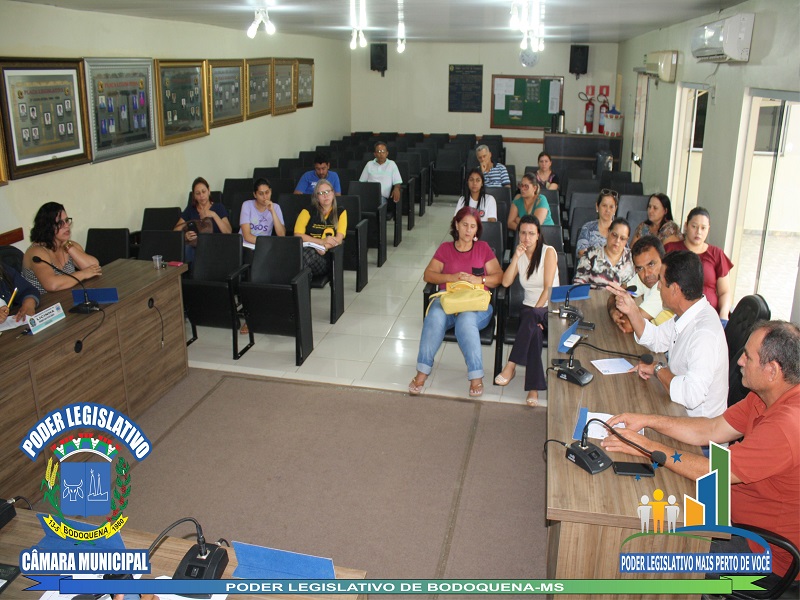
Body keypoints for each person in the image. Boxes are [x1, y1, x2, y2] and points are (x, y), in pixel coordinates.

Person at [601, 321, 799, 592]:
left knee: (652, 553)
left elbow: (712, 474)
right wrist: (647, 421)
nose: (739, 360)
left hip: (763, 559)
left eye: (748, 356)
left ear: (772, 371)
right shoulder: (766, 396)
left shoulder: (787, 425)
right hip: (734, 517)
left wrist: (646, 447)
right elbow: (711, 429)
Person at [608, 250, 728, 419]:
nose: (657, 286)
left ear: (675, 289)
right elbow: (657, 339)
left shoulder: (704, 334)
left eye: (662, 282)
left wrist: (658, 369)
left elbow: (691, 396)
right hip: (677, 409)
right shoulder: (688, 313)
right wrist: (632, 310)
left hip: (695, 428)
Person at [408, 207, 503, 398]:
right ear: (457, 225)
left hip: (476, 303)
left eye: (473, 226)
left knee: (466, 322)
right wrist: (450, 277)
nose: (468, 230)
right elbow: (428, 274)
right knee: (433, 316)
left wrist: (480, 280)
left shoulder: (483, 248)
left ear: (477, 230)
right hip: (449, 300)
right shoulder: (445, 249)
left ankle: (476, 376)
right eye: (465, 225)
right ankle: (422, 370)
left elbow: (499, 276)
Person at [494, 215, 558, 406]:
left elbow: (548, 289)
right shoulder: (520, 255)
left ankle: (511, 365)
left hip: (550, 308)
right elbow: (505, 282)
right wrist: (515, 258)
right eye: (523, 233)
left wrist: (536, 313)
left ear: (538, 235)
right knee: (535, 333)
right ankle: (533, 389)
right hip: (529, 310)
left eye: (531, 233)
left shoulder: (549, 252)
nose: (527, 238)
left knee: (531, 320)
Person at [664, 207, 733, 320]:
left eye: (703, 228)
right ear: (686, 226)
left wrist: (724, 315)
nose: (698, 232)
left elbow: (724, 292)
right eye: (694, 226)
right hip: (675, 314)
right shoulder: (671, 249)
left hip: (708, 316)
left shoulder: (716, 254)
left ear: (708, 229)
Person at [22, 202, 101, 294]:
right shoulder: (37, 252)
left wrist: (68, 247)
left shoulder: (67, 244)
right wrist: (83, 274)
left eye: (67, 220)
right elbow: (52, 285)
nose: (67, 226)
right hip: (46, 305)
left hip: (66, 298)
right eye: (60, 223)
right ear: (47, 227)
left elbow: (94, 267)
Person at [607, 235, 673, 334]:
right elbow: (617, 294)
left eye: (651, 264)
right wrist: (613, 310)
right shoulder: (644, 278)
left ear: (663, 260)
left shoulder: (664, 286)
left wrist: (619, 312)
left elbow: (629, 325)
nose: (646, 274)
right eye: (640, 268)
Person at [294, 179, 347, 277]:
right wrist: (320, 242)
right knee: (306, 254)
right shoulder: (307, 211)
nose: (325, 195)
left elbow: (339, 239)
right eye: (321, 193)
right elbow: (297, 234)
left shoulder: (341, 212)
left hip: (325, 258)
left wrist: (325, 247)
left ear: (333, 193)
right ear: (316, 197)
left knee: (306, 256)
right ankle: (300, 284)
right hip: (306, 252)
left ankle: (296, 286)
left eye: (328, 192)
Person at [174, 177, 232, 263]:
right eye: (198, 193)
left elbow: (228, 232)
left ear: (209, 191)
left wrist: (213, 214)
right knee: (187, 249)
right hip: (196, 247)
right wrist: (185, 235)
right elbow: (175, 230)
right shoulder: (190, 209)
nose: (201, 196)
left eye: (203, 191)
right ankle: (191, 276)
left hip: (215, 246)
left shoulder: (218, 207)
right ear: (194, 196)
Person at [573, 217, 634, 287]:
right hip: (593, 297)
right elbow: (578, 285)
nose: (617, 241)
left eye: (622, 238)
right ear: (608, 232)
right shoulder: (591, 254)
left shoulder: (631, 258)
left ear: (627, 240)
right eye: (614, 235)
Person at [359, 141, 402, 214]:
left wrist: (396, 188)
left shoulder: (392, 164)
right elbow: (362, 182)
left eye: (383, 151)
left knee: (379, 206)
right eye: (378, 151)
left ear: (387, 153)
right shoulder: (369, 164)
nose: (381, 154)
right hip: (369, 196)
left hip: (382, 197)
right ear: (375, 154)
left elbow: (397, 181)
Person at [240, 178, 286, 243]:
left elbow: (282, 235)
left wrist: (272, 211)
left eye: (267, 192)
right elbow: (247, 236)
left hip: (264, 246)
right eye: (261, 194)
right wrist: (265, 243)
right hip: (246, 245)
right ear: (255, 194)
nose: (265, 197)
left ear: (271, 191)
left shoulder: (276, 207)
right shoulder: (247, 205)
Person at [575, 189, 618, 257]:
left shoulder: (619, 230)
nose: (608, 210)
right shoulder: (588, 228)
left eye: (611, 207)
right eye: (604, 205)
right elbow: (581, 252)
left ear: (615, 209)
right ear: (597, 206)